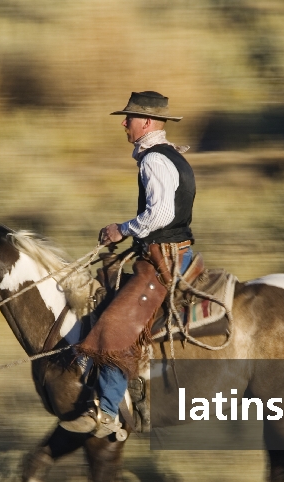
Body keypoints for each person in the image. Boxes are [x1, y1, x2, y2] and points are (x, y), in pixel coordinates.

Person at [64, 91, 196, 437]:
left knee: (115, 325)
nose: (124, 124)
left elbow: (162, 213)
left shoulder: (154, 160)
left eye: (130, 119)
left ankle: (106, 413)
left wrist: (122, 229)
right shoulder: (169, 156)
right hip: (172, 252)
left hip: (162, 259)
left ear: (147, 123)